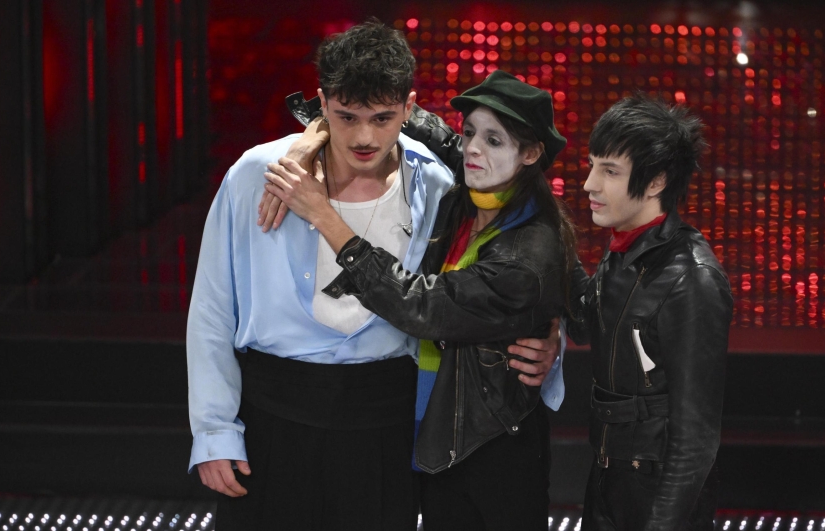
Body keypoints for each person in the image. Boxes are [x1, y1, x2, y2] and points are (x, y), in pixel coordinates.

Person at [186, 21, 560, 531]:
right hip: (270, 418)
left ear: (409, 108)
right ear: (322, 105)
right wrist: (213, 430)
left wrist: (544, 329)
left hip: (385, 422)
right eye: (346, 117)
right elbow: (211, 307)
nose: (364, 136)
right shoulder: (259, 172)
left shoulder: (437, 179)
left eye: (383, 118)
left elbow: (528, 232)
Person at [264, 69, 576, 531]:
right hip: (442, 436)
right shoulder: (480, 188)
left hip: (490, 453)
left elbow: (419, 305)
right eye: (470, 132)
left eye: (494, 140)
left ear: (530, 154)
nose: (472, 148)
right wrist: (314, 135)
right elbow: (399, 118)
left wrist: (323, 216)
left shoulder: (525, 256)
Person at [567, 95, 733, 530]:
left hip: (657, 498)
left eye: (610, 172)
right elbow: (583, 326)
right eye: (592, 165)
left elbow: (695, 440)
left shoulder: (691, 278)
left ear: (656, 181)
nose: (589, 184)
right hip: (606, 480)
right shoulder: (622, 250)